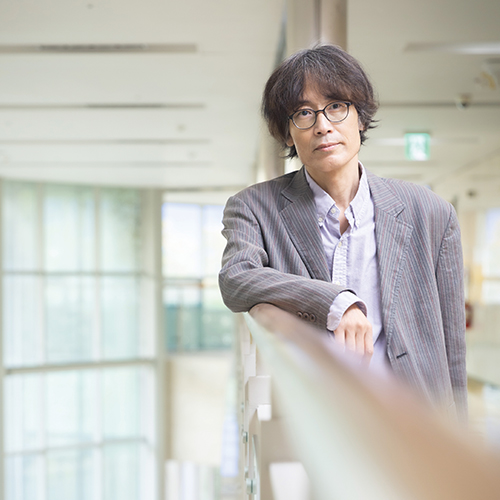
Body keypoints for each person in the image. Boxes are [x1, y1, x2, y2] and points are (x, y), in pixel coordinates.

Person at [218, 44, 467, 421]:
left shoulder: (431, 212)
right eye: (304, 113)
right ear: (288, 134)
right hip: (319, 423)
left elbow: (452, 346)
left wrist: (457, 431)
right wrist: (335, 302)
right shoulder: (254, 206)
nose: (322, 125)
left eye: (336, 106)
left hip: (412, 419)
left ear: (360, 118)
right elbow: (236, 279)